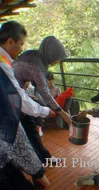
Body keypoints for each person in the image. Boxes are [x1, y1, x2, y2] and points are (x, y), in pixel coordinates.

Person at [0, 21, 51, 189]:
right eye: (20, 44)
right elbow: (18, 99)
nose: (21, 48)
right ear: (10, 41)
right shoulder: (2, 64)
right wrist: (45, 111)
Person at [13, 35, 72, 163]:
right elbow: (44, 92)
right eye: (57, 58)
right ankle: (39, 164)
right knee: (29, 129)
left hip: (16, 95)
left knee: (29, 130)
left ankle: (42, 159)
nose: (58, 62)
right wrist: (62, 113)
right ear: (51, 54)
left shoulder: (32, 54)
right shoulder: (38, 67)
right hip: (13, 98)